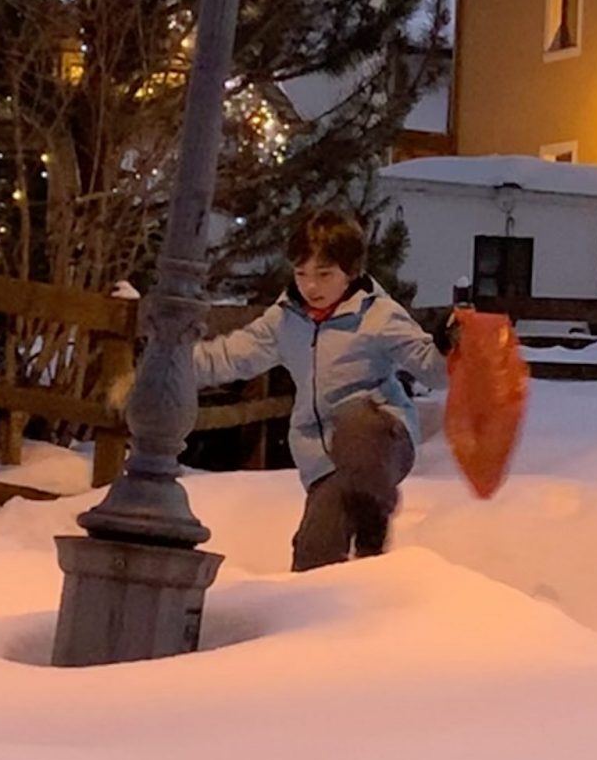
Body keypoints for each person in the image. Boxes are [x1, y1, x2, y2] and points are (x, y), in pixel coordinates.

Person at [192, 208, 451, 571]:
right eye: (301, 274)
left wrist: (447, 347)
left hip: (383, 438)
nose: (311, 286)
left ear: (352, 272)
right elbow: (231, 356)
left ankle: (372, 522)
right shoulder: (285, 321)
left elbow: (434, 371)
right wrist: (172, 366)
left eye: (324, 274)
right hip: (323, 460)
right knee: (315, 553)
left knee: (356, 427)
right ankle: (321, 619)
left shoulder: (378, 316)